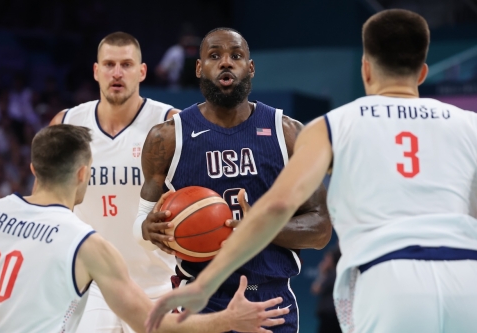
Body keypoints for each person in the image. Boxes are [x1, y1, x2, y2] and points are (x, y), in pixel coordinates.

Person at [146, 9, 477, 333]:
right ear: (422, 73)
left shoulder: (333, 125)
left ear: (365, 70)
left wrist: (205, 284)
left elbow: (276, 207)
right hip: (467, 277)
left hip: (388, 277)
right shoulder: (470, 125)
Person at [0, 124, 289, 333]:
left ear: (33, 168)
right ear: (84, 173)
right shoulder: (86, 245)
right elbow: (151, 324)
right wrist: (228, 319)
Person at [134, 27, 332, 333]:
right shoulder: (167, 138)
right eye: (215, 56)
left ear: (250, 68)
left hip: (269, 299)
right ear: (199, 68)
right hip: (201, 300)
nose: (226, 63)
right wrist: (149, 229)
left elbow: (320, 230)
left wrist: (263, 225)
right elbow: (142, 225)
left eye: (236, 56)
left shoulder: (288, 133)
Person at [50, 32, 180, 332]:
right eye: (108, 64)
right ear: (96, 71)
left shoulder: (170, 124)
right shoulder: (67, 124)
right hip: (90, 286)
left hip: (158, 285)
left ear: (142, 71)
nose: (117, 73)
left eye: (126, 64)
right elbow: (48, 209)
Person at [311, 245, 341, 333]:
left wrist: (321, 272)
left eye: (327, 259)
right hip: (330, 317)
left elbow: (316, 289)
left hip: (332, 318)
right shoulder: (331, 274)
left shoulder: (333, 275)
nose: (324, 261)